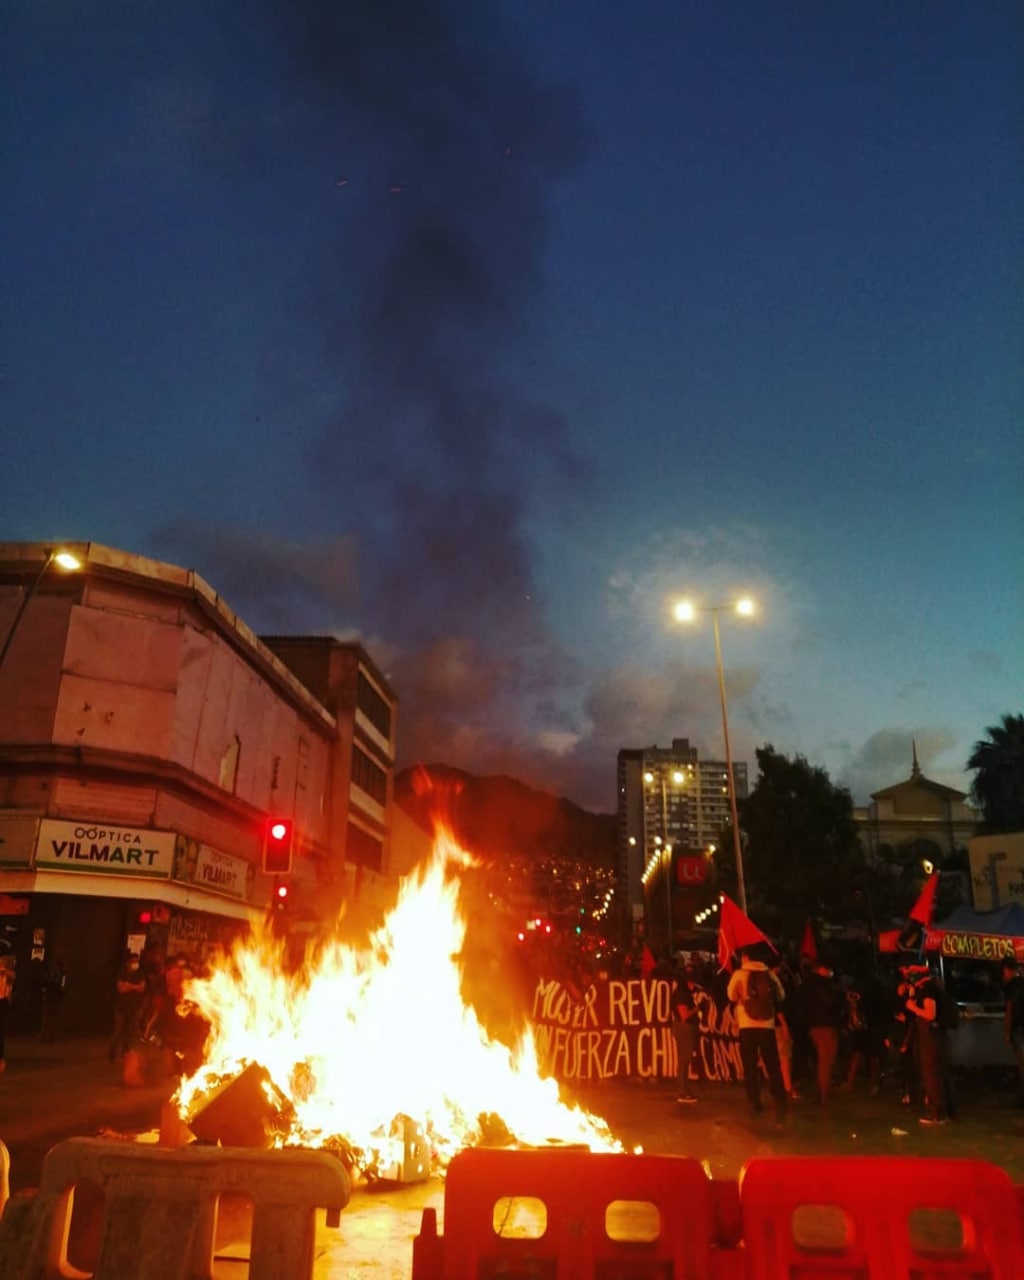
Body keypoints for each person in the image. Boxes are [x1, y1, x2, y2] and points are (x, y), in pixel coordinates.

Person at [727, 948, 787, 1126]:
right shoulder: (769, 974)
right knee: (773, 1065)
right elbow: (781, 995)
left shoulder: (739, 974)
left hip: (747, 1026)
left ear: (745, 957)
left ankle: (754, 1101)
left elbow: (730, 995)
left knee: (750, 1066)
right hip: (767, 1026)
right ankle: (779, 1100)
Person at [905, 961, 956, 1125]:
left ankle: (936, 1113)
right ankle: (947, 1111)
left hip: (931, 1037)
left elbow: (930, 1014)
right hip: (937, 1037)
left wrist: (912, 1007)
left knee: (931, 1073)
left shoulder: (927, 989)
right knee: (940, 1073)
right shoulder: (935, 987)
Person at [803, 959, 844, 1104]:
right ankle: (824, 1094)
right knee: (826, 1061)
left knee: (821, 1061)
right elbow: (828, 1002)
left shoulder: (808, 983)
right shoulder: (822, 985)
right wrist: (839, 996)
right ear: (822, 969)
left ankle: (821, 1091)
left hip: (815, 1025)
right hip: (825, 1024)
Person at [671, 961, 702, 1103]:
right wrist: (697, 1008)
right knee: (684, 1060)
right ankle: (682, 1092)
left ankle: (685, 1090)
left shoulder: (684, 992)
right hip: (685, 1029)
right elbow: (684, 1015)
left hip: (686, 1029)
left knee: (685, 1060)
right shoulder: (682, 994)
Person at [110, 952, 146, 1060]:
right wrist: (135, 987)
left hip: (133, 1008)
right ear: (128, 963)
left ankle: (125, 1052)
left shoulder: (140, 974)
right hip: (121, 1008)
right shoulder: (122, 973)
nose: (135, 964)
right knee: (118, 1030)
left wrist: (129, 985)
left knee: (129, 1032)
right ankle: (113, 1052)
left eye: (137, 961)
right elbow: (121, 989)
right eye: (133, 962)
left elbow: (142, 988)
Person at [1002, 958, 1024, 1105]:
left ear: (1007, 970)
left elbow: (1009, 1009)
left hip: (1018, 1027)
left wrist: (1007, 1031)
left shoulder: (1011, 986)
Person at [39, 957, 68, 1043]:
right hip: (52, 997)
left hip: (53, 998)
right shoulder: (59, 975)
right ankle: (47, 1036)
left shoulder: (55, 975)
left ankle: (48, 1036)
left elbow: (62, 987)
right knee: (49, 1019)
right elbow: (62, 987)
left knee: (49, 1019)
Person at [0, 959, 14, 1071]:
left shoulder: (7, 975)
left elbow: (11, 976)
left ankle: (1, 1059)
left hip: (2, 1002)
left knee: (0, 1032)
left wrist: (3, 970)